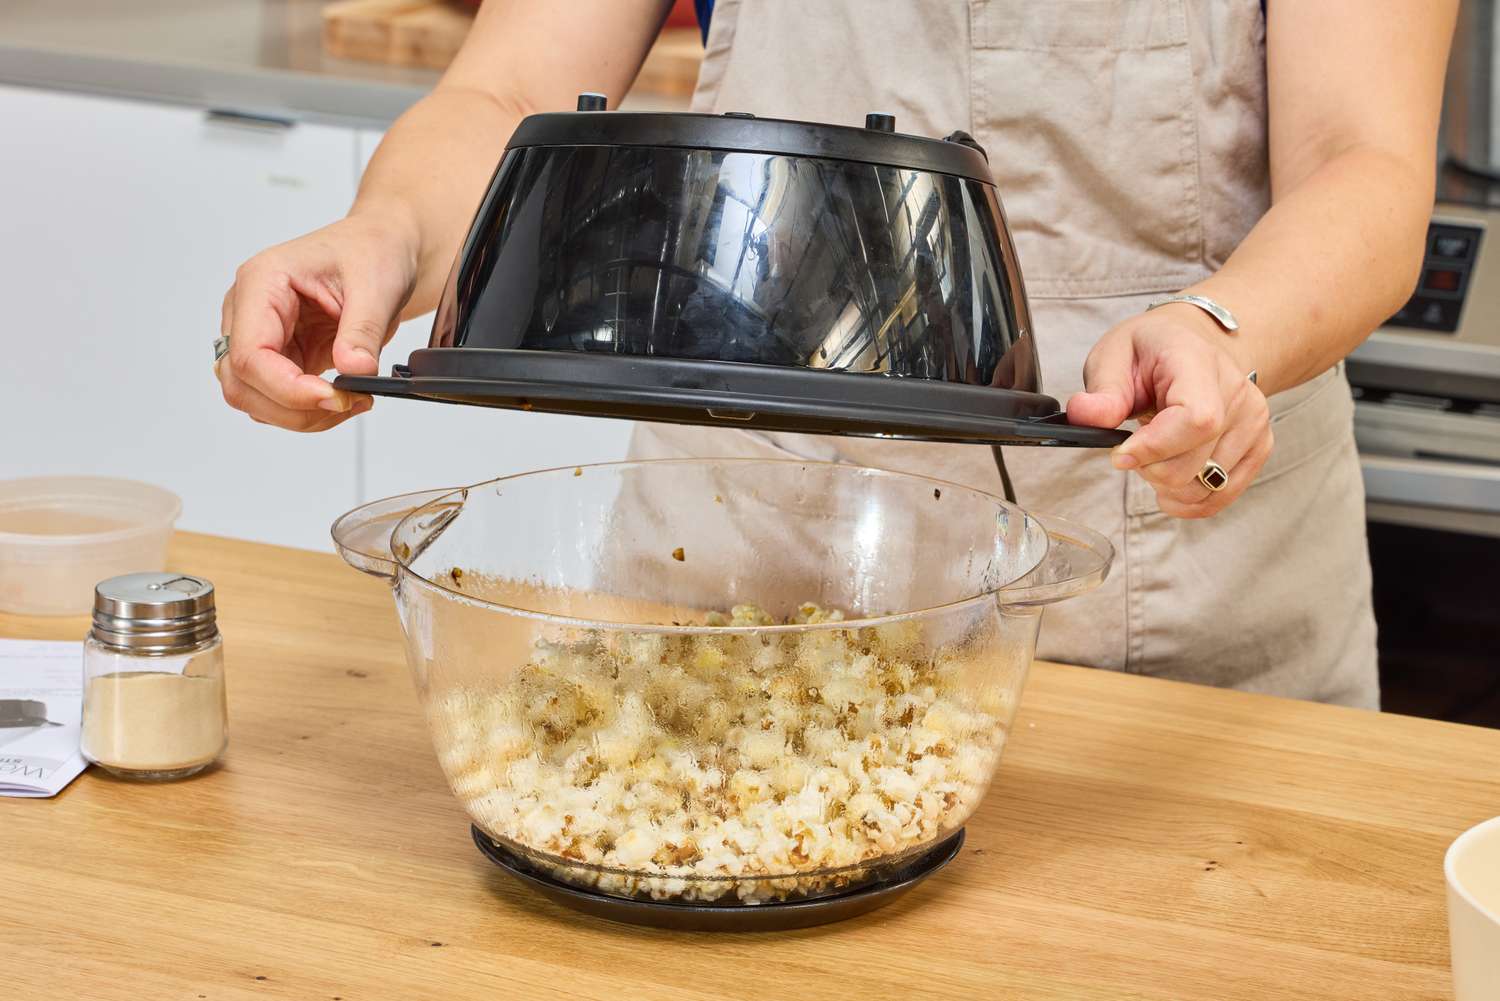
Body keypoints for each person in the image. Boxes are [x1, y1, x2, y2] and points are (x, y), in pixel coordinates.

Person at [216, 0, 1455, 708]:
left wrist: (1224, 327)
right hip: (726, 576)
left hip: (1159, 611)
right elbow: (507, 90)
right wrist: (384, 232)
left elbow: (1369, 163)